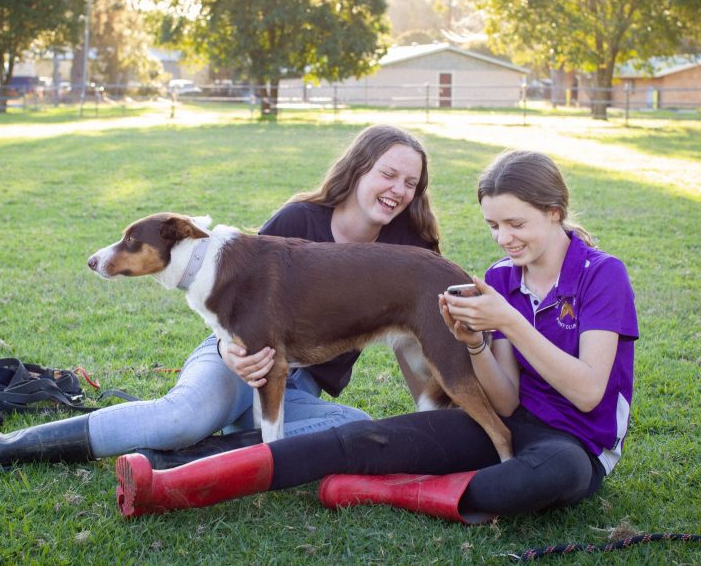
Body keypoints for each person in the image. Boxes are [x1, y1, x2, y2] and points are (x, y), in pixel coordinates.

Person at [113, 149, 639, 523]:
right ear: (358, 169)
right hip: (503, 422)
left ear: (554, 212)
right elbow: (506, 399)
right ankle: (171, 479)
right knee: (361, 437)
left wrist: (505, 322)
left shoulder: (601, 274)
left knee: (545, 476)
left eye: (516, 224)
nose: (504, 239)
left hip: (572, 444)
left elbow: (590, 392)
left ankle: (384, 491)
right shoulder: (502, 277)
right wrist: (477, 343)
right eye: (493, 226)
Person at [0, 125, 440, 477]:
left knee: (354, 427)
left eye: (410, 183)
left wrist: (429, 409)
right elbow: (234, 301)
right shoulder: (298, 221)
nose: (397, 190)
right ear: (359, 169)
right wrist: (230, 352)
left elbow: (409, 338)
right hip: (234, 353)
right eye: (388, 173)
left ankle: (187, 457)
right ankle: (4, 447)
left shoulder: (408, 252)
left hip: (296, 384)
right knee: (181, 417)